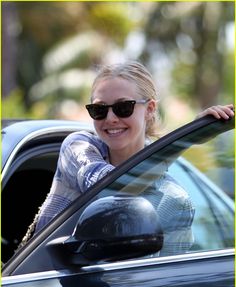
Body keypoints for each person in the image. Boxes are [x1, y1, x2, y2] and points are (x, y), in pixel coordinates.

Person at [20, 61, 234, 255]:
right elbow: (109, 189)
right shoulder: (78, 146)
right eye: (99, 109)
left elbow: (163, 280)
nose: (111, 118)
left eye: (124, 108)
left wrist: (189, 134)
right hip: (39, 281)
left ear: (149, 109)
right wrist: (186, 138)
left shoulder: (175, 202)